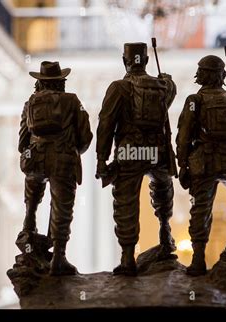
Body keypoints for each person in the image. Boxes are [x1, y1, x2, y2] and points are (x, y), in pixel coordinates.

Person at [95, 42, 177, 276]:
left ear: (125, 61)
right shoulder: (165, 87)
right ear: (147, 61)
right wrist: (167, 80)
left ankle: (127, 257)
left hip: (130, 152)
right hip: (158, 152)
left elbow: (106, 124)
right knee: (163, 191)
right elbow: (164, 106)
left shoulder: (119, 87)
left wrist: (102, 158)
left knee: (126, 202)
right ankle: (165, 234)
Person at [176, 55, 226, 276]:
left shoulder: (195, 100)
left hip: (205, 162)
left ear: (200, 76)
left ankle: (198, 260)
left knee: (200, 209)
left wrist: (182, 165)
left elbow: (183, 136)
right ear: (223, 76)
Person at [19, 61, 92, 276]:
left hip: (36, 160)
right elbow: (85, 136)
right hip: (63, 160)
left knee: (31, 204)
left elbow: (22, 142)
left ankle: (29, 243)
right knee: (62, 208)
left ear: (39, 83)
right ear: (61, 82)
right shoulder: (72, 101)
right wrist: (73, 150)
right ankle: (58, 258)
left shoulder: (30, 103)